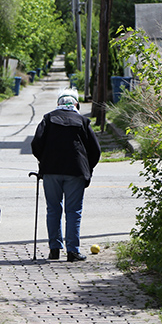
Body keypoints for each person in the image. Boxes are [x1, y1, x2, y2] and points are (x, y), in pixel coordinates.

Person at [31, 88, 101, 262]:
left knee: (53, 210)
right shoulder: (83, 121)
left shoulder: (48, 118)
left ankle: (54, 249)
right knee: (73, 211)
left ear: (58, 103)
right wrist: (87, 167)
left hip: (51, 171)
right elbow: (96, 150)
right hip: (76, 171)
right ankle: (72, 251)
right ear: (76, 104)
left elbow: (36, 144)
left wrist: (44, 160)